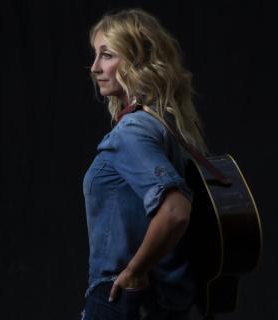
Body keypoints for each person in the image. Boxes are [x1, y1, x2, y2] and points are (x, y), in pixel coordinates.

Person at [82, 8, 208, 320]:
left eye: (107, 55)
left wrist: (135, 270)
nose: (95, 67)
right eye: (95, 55)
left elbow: (175, 210)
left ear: (137, 62)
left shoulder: (133, 130)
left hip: (123, 297)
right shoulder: (169, 125)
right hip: (166, 299)